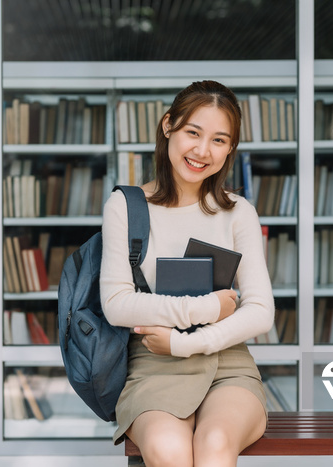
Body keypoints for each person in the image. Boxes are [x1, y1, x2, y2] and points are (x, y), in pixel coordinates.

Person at [100, 80, 275, 467]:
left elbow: (261, 311)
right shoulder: (125, 206)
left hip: (227, 364)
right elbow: (117, 306)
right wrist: (208, 307)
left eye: (218, 140)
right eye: (192, 132)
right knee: (171, 452)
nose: (201, 151)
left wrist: (187, 343)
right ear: (168, 127)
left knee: (215, 446)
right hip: (152, 364)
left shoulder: (238, 211)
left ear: (230, 148)